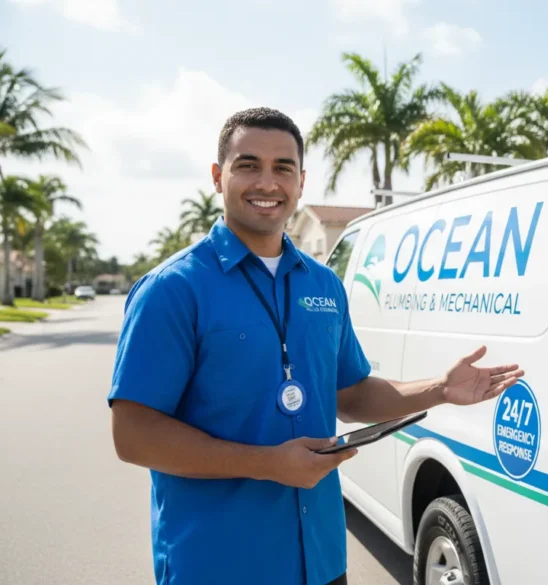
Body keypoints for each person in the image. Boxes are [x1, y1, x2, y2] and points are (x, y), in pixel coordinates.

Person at [108, 107, 524, 585]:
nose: (267, 182)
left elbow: (350, 394)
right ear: (218, 176)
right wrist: (267, 464)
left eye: (283, 168)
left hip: (321, 561)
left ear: (301, 182)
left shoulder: (323, 284)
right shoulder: (172, 289)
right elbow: (133, 434)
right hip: (218, 563)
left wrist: (440, 389)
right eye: (248, 165)